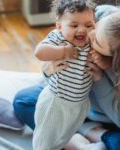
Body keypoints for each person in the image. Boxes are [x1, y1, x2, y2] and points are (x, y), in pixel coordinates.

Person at [14, 5, 120, 150]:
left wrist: (100, 78)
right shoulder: (95, 17)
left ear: (117, 59)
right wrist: (49, 70)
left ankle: (94, 135)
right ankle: (92, 137)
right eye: (95, 27)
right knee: (24, 101)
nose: (89, 35)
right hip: (85, 104)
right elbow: (56, 46)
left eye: (97, 42)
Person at [31, 0, 96, 149]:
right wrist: (63, 51)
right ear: (59, 27)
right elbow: (39, 52)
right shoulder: (59, 38)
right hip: (56, 102)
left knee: (64, 136)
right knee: (44, 139)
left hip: (80, 104)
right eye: (74, 25)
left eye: (88, 25)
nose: (82, 30)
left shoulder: (92, 40)